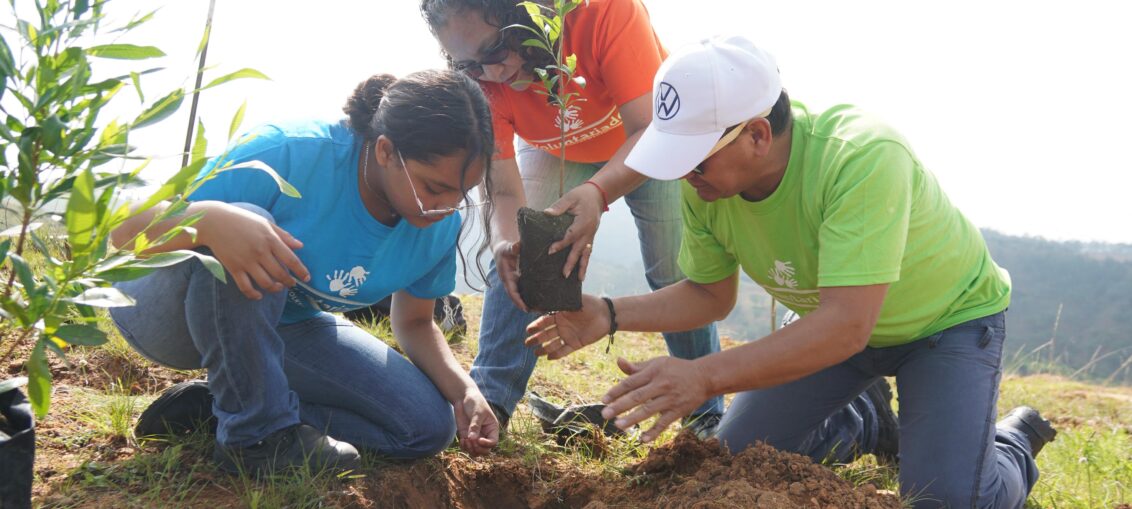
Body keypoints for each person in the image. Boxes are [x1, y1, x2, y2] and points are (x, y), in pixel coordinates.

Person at [524, 35, 1056, 508]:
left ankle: (1013, 442)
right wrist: (608, 313)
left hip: (944, 326)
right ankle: (867, 420)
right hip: (832, 327)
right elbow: (711, 294)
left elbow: (847, 325)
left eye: (695, 160)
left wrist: (703, 375)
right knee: (735, 455)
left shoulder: (861, 157)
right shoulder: (709, 187)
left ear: (757, 135)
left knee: (946, 499)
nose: (685, 177)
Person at [110, 70, 500, 474]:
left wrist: (464, 390)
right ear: (386, 151)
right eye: (433, 188)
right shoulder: (289, 152)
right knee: (247, 221)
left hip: (281, 325)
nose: (446, 208)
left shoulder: (439, 227)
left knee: (425, 427)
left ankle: (217, 407)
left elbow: (415, 322)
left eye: (461, 194)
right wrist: (210, 220)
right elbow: (122, 228)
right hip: (162, 311)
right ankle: (256, 437)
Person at [419, 0, 723, 434]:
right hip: (555, 150)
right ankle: (491, 403)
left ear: (522, 16)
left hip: (650, 141)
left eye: (494, 50)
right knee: (526, 248)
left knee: (673, 268)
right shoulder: (482, 83)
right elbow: (503, 189)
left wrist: (597, 193)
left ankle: (706, 415)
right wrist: (504, 241)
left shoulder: (605, 13)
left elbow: (648, 127)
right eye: (468, 65)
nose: (491, 73)